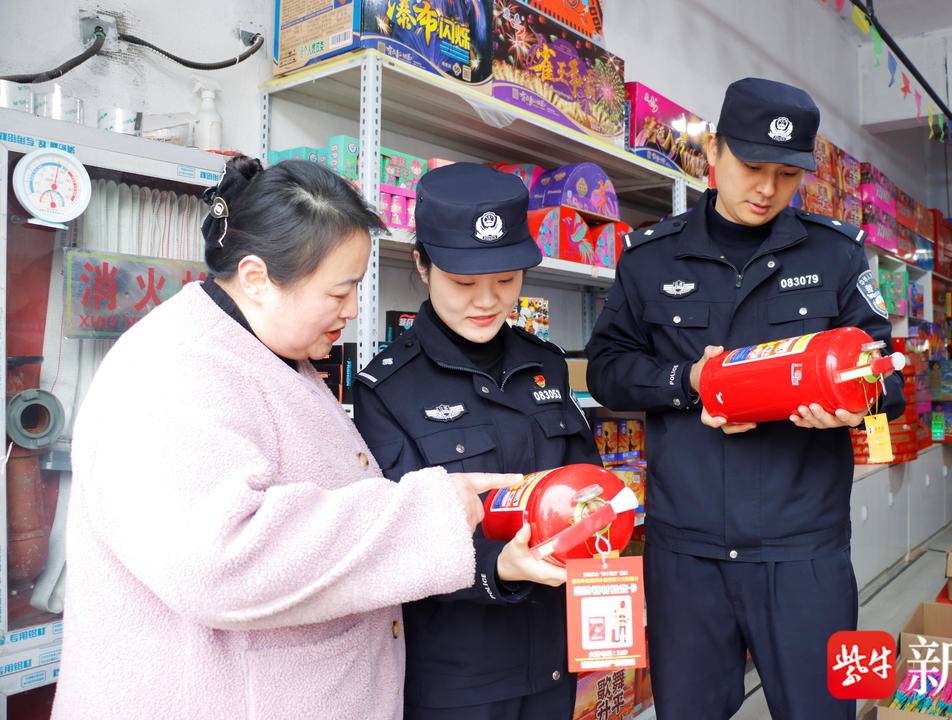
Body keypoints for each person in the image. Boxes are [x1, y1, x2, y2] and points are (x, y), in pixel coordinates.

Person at [51, 157, 518, 720]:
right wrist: (430, 513)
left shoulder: (270, 349)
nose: (352, 310)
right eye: (339, 292)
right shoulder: (174, 370)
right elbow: (221, 559)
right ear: (256, 278)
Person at [585, 78, 904, 719]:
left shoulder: (838, 254)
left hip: (805, 548)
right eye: (752, 166)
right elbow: (606, 371)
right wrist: (685, 383)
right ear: (713, 151)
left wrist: (857, 403)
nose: (766, 189)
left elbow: (887, 380)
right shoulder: (650, 259)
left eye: (787, 174)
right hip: (687, 552)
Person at [353, 163, 602, 720]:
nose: (487, 300)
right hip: (460, 678)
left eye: (507, 279)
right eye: (464, 282)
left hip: (554, 659)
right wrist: (499, 564)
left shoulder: (545, 365)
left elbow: (582, 478)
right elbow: (396, 540)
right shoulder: (387, 388)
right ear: (422, 265)